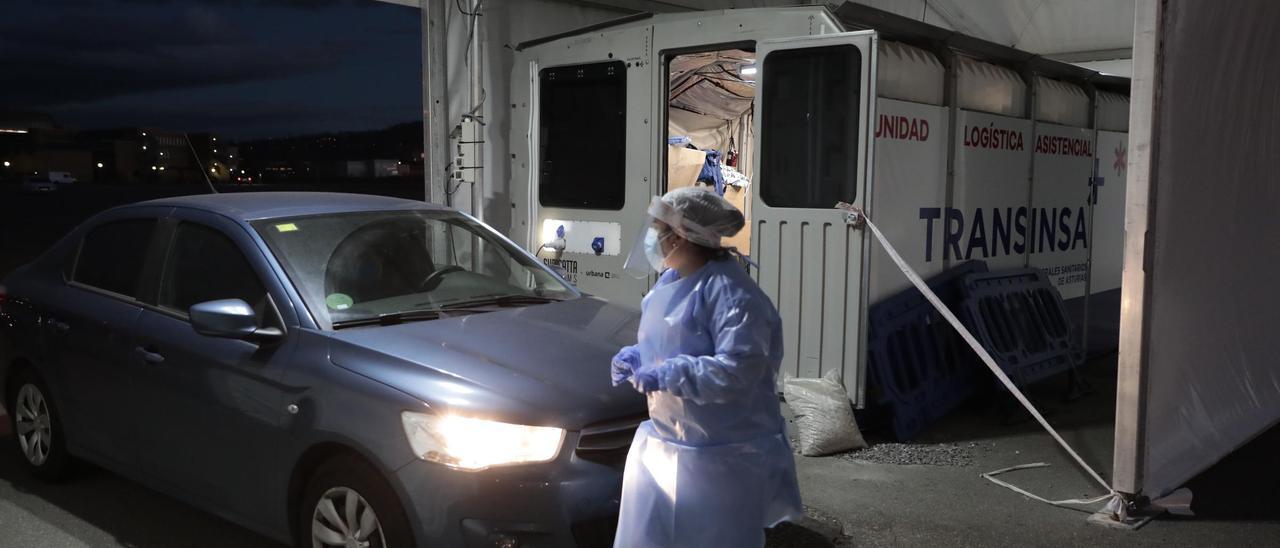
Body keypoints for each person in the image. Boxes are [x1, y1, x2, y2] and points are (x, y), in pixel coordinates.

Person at [612, 187, 803, 548]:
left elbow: (739, 369)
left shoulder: (733, 294)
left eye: (659, 230)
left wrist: (668, 374)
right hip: (670, 441)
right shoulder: (672, 282)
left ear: (683, 236)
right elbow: (676, 340)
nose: (653, 239)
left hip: (723, 457)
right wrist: (639, 355)